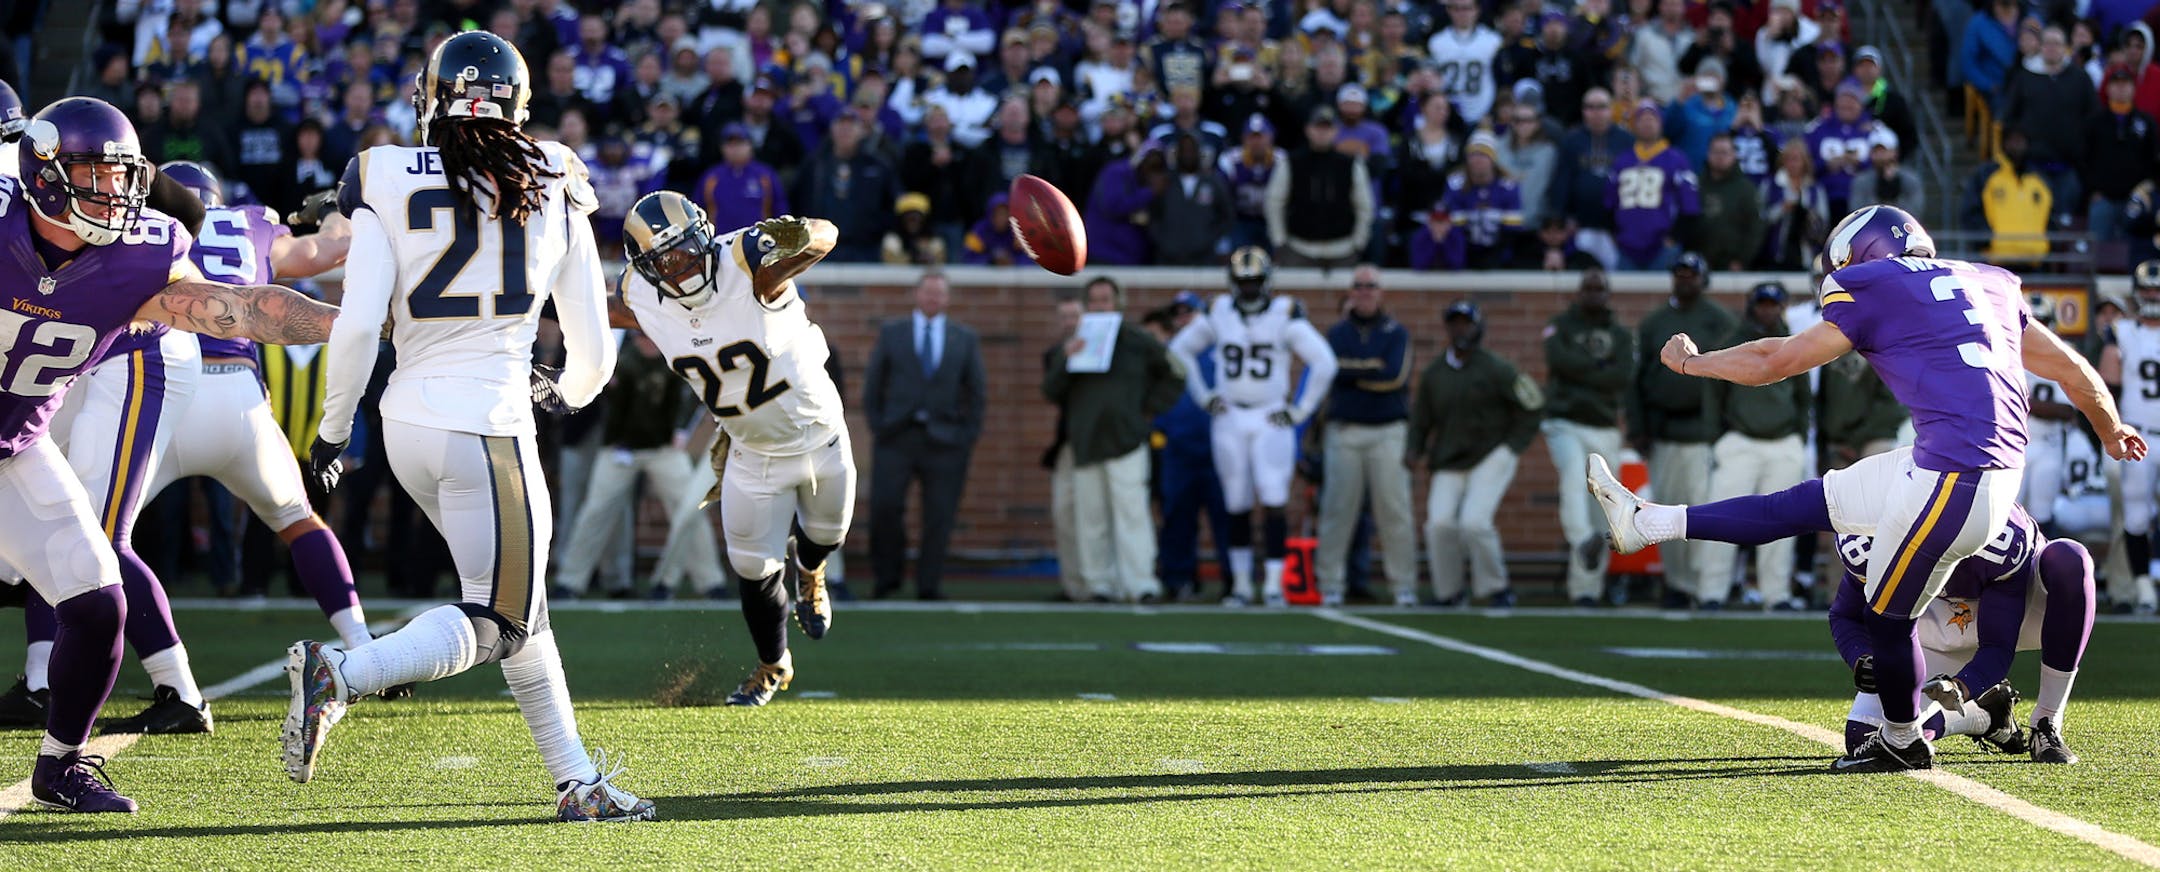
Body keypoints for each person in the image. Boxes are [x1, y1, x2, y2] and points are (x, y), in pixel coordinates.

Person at [1591, 205, 2142, 773]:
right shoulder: (1987, 282)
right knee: (1801, 504)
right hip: (1959, 461)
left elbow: (1775, 360)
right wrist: (2111, 430)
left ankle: (1904, 740)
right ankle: (1647, 522)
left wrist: (1693, 363)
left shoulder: (1876, 283)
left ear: (1862, 254)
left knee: (1886, 616)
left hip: (1961, 475)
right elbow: (2074, 370)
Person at [296, 32, 653, 822]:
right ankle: (343, 674)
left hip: (405, 424)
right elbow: (593, 345)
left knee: (520, 608)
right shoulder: (554, 172)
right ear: (519, 105)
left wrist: (332, 432)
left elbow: (357, 328)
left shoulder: (381, 172)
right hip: (488, 426)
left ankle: (576, 781)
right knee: (505, 617)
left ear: (431, 99)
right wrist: (565, 393)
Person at [0, 95, 338, 814]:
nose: (114, 193)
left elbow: (241, 309)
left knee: (98, 604)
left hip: (14, 446)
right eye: (95, 175)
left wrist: (363, 324)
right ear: (46, 173)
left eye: (123, 176)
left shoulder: (137, 254)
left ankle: (60, 765)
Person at [29, 162, 365, 736]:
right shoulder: (251, 224)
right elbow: (328, 251)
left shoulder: (127, 223)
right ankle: (363, 645)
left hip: (153, 377)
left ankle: (54, 678)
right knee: (297, 520)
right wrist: (335, 209)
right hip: (237, 396)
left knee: (82, 530)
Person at [607, 191, 849, 706]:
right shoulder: (643, 297)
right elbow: (598, 311)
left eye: (687, 248)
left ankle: (811, 572)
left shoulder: (746, 263)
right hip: (750, 451)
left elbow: (826, 235)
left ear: (705, 235)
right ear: (646, 269)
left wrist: (801, 233)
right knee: (753, 570)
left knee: (827, 534)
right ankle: (772, 664)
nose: (682, 265)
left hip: (819, 436)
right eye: (664, 260)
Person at [1829, 505, 2093, 765]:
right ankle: (1985, 714)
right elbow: (1846, 614)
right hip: (1931, 622)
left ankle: (2047, 719)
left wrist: (1962, 686)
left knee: (2069, 561)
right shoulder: (1870, 537)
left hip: (2021, 612)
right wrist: (1861, 658)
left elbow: (1997, 647)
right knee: (1867, 738)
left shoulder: (1994, 534)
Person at [1167, 248, 1339, 606]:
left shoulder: (1284, 313)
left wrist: (1300, 410)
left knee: (1274, 499)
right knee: (1236, 501)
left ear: (1267, 281)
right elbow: (1179, 349)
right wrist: (1203, 395)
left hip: (1269, 415)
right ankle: (1242, 584)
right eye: (1243, 281)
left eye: (1255, 281)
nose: (1249, 288)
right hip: (1230, 416)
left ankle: (1274, 584)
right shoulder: (1219, 311)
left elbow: (1325, 362)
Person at [1046, 276, 1186, 602]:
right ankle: (1100, 585)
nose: (1100, 307)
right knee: (1090, 518)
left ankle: (1140, 583)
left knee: (1132, 513)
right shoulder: (1075, 342)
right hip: (1086, 442)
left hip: (1127, 440)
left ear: (1118, 303)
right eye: (1094, 301)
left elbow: (1175, 373)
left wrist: (1147, 410)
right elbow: (1051, 391)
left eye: (1105, 300)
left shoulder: (1137, 340)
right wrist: (1066, 359)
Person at [1407, 301, 1542, 607]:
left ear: (1479, 328)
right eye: (1455, 323)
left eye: (1467, 323)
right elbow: (1421, 419)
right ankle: (1449, 592)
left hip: (1490, 455)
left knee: (1474, 522)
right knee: (1439, 524)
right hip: (1449, 458)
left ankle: (1497, 588)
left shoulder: (1497, 367)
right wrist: (1414, 448)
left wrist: (1512, 447)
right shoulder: (1434, 373)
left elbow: (1532, 406)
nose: (1461, 330)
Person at [863, 273, 987, 600]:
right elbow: (874, 384)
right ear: (917, 294)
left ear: (947, 298)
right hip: (896, 436)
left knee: (939, 515)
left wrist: (966, 435)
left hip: (946, 441)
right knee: (886, 507)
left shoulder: (964, 338)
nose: (933, 298)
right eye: (928, 292)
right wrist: (879, 424)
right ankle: (887, 578)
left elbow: (976, 392)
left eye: (939, 293)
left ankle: (929, 584)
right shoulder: (893, 333)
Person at [1694, 282, 1810, 610]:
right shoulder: (1733, 342)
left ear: (1782, 307)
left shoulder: (1794, 344)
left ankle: (1776, 594)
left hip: (1783, 442)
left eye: (1774, 304)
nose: (1768, 310)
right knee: (1723, 517)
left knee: (1781, 523)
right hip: (1740, 441)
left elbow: (1803, 397)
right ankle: (1711, 593)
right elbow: (1713, 392)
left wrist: (1799, 435)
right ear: (1752, 306)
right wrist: (1716, 438)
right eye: (1762, 304)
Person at [1630, 253, 1734, 602]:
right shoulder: (1654, 322)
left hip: (1704, 431)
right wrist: (1638, 427)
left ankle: (1704, 586)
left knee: (1703, 510)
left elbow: (1732, 375)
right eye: (1680, 273)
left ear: (1704, 279)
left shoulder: (1720, 320)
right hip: (1664, 429)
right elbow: (1637, 379)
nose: (1685, 279)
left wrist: (1724, 427)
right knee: (1665, 510)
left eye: (1692, 274)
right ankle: (1676, 583)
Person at [1316, 266, 1417, 607]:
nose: (1364, 291)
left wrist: (1352, 371)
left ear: (1380, 291)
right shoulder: (1336, 332)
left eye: (1370, 285)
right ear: (1350, 291)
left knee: (1394, 511)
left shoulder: (1396, 332)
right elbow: (1330, 371)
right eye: (1358, 286)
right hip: (1345, 430)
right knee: (1337, 510)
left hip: (1388, 431)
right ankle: (1330, 583)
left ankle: (1403, 585)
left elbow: (1394, 377)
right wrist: (1370, 366)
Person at [1544, 269, 1634, 606]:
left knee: (1605, 505)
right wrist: (1599, 367)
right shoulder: (1560, 325)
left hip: (1604, 425)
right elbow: (1558, 360)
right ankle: (1581, 540)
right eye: (1588, 288)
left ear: (1608, 294)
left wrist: (1581, 369)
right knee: (1573, 476)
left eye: (1600, 289)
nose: (1594, 294)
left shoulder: (1621, 334)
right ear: (1579, 292)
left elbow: (1622, 375)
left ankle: (1587, 590)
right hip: (1564, 422)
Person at [1151, 292, 1233, 602]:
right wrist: (1161, 432)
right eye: (1178, 314)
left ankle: (1233, 579)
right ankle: (1179, 579)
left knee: (1226, 516)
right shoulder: (1168, 354)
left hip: (1219, 447)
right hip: (1179, 449)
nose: (1184, 318)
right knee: (1177, 517)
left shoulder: (1222, 350)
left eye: (1190, 312)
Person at [2100, 261, 2160, 614]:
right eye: (2148, 289)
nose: (2153, 295)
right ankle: (2143, 589)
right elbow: (2108, 387)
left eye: (2158, 289)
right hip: (2140, 436)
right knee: (2136, 517)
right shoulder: (2121, 332)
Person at [1265, 107, 1374, 268]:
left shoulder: (1351, 164)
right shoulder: (1291, 162)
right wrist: (1279, 240)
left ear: (1336, 131)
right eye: (1317, 127)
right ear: (1308, 129)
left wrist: (1359, 242)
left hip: (1344, 250)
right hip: (1299, 250)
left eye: (1327, 128)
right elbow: (1274, 202)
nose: (1322, 133)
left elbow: (1364, 206)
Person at [1606, 104, 1698, 271]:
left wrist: (1674, 237)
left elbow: (1690, 205)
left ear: (1660, 123)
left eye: (1652, 119)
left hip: (1662, 246)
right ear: (1634, 125)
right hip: (1626, 245)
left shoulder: (1677, 159)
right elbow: (1609, 202)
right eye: (1642, 119)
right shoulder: (1622, 160)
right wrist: (1615, 234)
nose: (1647, 123)